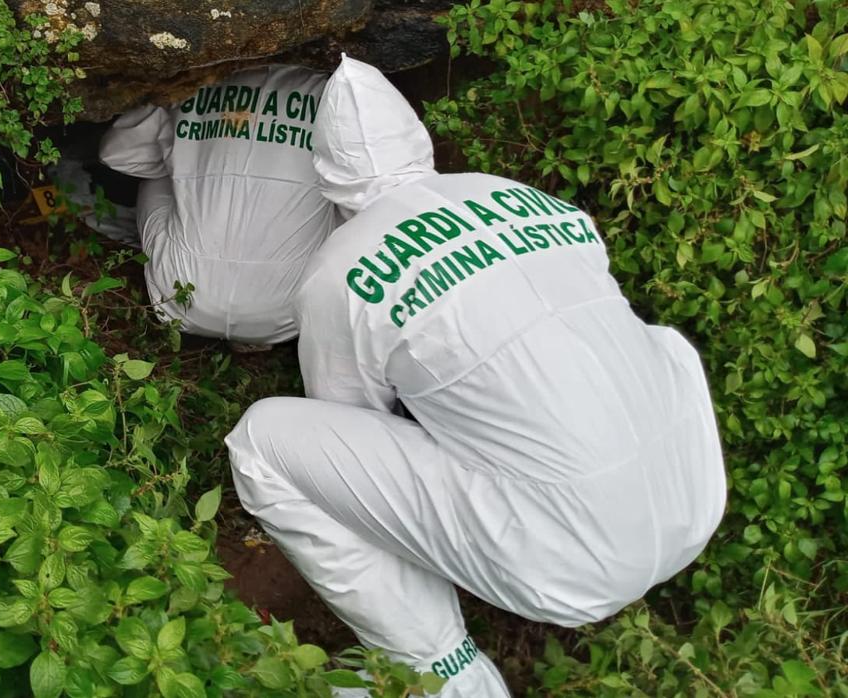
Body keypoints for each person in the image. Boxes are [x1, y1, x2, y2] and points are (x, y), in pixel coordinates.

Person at [226, 56, 727, 696]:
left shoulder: (341, 268)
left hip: (567, 566)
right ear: (420, 139)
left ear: (326, 171)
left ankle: (442, 673)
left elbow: (351, 423)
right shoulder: (521, 195)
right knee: (655, 345)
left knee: (266, 442)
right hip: (692, 499)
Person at [99, 65, 338, 347]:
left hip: (181, 297)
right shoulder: (332, 94)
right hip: (286, 315)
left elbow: (116, 153)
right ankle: (254, 334)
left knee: (163, 175)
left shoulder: (192, 79)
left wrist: (188, 164)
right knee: (338, 190)